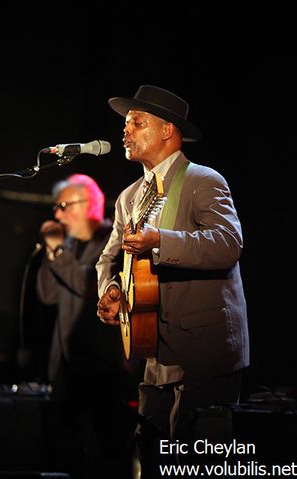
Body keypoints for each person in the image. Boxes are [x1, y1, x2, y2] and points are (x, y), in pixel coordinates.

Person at [96, 85, 250, 476]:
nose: (126, 131)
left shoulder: (203, 180)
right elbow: (108, 258)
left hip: (204, 353)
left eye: (137, 123)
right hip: (154, 352)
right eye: (126, 124)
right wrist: (111, 289)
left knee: (195, 463)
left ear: (167, 130)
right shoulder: (129, 197)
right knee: (151, 457)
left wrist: (160, 241)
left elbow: (227, 244)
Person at [36, 173, 134, 479]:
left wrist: (59, 253)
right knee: (65, 453)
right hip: (65, 368)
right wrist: (54, 251)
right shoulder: (67, 245)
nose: (57, 213)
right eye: (56, 206)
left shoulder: (111, 241)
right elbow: (47, 294)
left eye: (64, 205)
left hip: (102, 369)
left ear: (89, 204)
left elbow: (91, 284)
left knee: (104, 454)